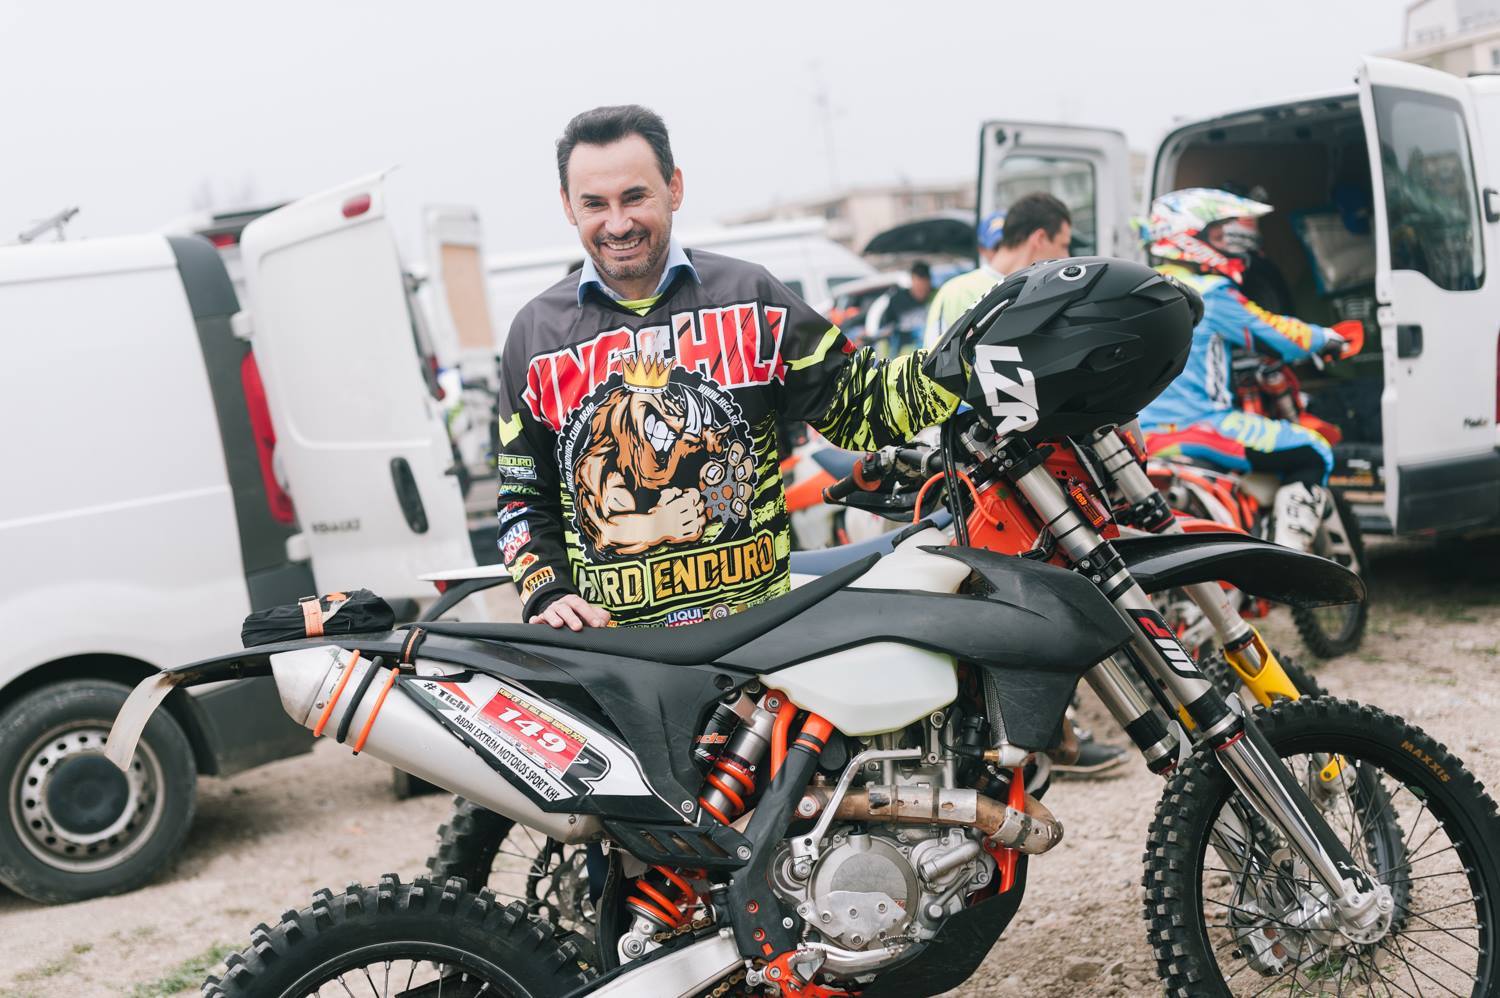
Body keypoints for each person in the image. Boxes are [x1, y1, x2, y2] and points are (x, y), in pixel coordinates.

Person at [494, 104, 959, 631]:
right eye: (595, 204)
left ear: (674, 188)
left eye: (635, 197)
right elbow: (521, 497)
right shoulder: (535, 336)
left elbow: (864, 407)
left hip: (758, 641)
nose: (618, 223)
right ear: (567, 205)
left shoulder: (752, 298)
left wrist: (962, 361)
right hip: (617, 653)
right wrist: (546, 590)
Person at [1138, 188, 1360, 552]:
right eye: (1219, 234)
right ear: (1187, 236)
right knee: (1314, 449)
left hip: (1144, 435)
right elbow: (1276, 333)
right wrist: (1327, 339)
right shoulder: (1208, 292)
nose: (1232, 245)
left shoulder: (1144, 289)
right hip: (1201, 425)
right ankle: (1288, 558)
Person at [923, 192, 1073, 350]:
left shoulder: (1048, 292)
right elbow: (933, 361)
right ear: (1040, 238)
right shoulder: (956, 293)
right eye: (1064, 245)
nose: (1067, 256)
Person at [866, 260, 934, 357]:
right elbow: (886, 327)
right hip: (904, 355)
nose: (921, 292)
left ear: (929, 282)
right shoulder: (897, 300)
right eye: (918, 288)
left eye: (924, 288)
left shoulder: (936, 297)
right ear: (912, 280)